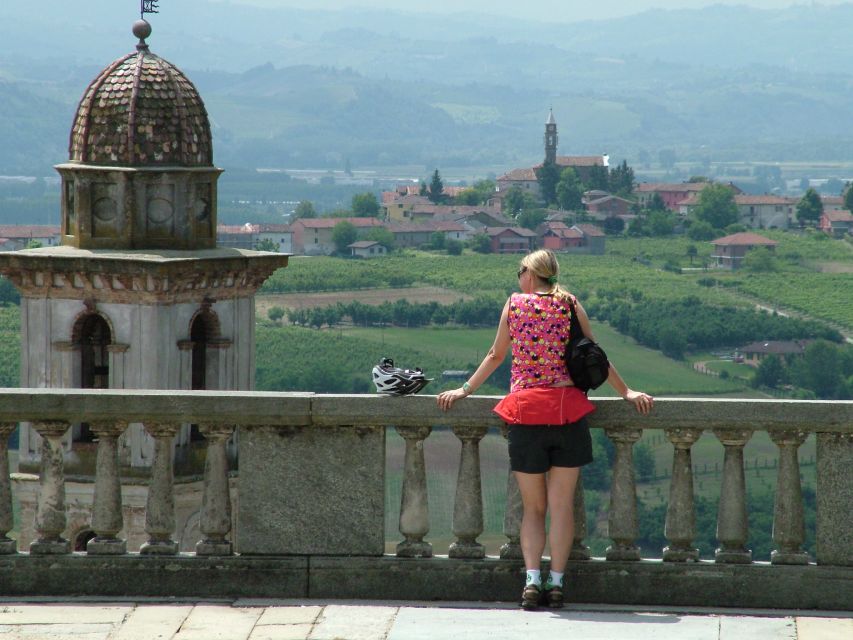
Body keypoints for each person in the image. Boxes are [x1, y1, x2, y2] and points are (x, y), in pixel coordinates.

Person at [437, 249, 653, 611]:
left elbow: (495, 355)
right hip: (568, 413)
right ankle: (557, 584)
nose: (518, 277)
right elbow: (593, 354)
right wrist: (627, 391)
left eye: (520, 271)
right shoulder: (570, 304)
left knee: (534, 509)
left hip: (526, 415)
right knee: (561, 506)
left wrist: (465, 389)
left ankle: (532, 581)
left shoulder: (514, 304)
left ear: (529, 274)